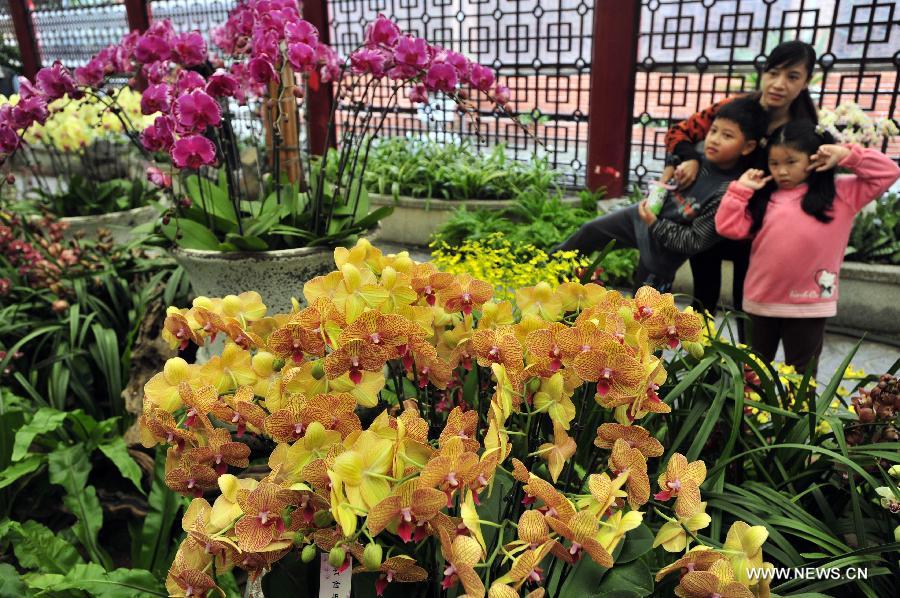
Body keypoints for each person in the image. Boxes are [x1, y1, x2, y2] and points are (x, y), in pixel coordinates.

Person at [715, 121, 900, 373]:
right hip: (761, 300)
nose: (781, 171)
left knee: (802, 378)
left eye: (791, 162)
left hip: (809, 304)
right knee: (754, 374)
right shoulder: (763, 196)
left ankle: (797, 416)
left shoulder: (842, 193)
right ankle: (748, 414)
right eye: (774, 163)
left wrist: (846, 155)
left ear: (813, 159)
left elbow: (888, 172)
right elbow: (728, 227)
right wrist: (740, 190)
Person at [662, 41, 819, 324]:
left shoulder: (804, 129)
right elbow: (678, 133)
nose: (779, 84)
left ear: (807, 81)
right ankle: (702, 364)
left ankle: (745, 367)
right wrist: (690, 159)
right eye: (773, 73)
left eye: (792, 76)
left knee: (747, 307)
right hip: (709, 220)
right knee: (703, 300)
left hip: (757, 232)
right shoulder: (733, 109)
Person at [555, 97, 767, 292]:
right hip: (639, 217)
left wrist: (655, 224)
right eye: (713, 131)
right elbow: (673, 157)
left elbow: (694, 241)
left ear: (748, 147)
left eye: (727, 135)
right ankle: (546, 272)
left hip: (662, 252)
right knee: (589, 232)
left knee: (644, 310)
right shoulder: (698, 156)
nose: (715, 140)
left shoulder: (729, 192)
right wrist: (676, 168)